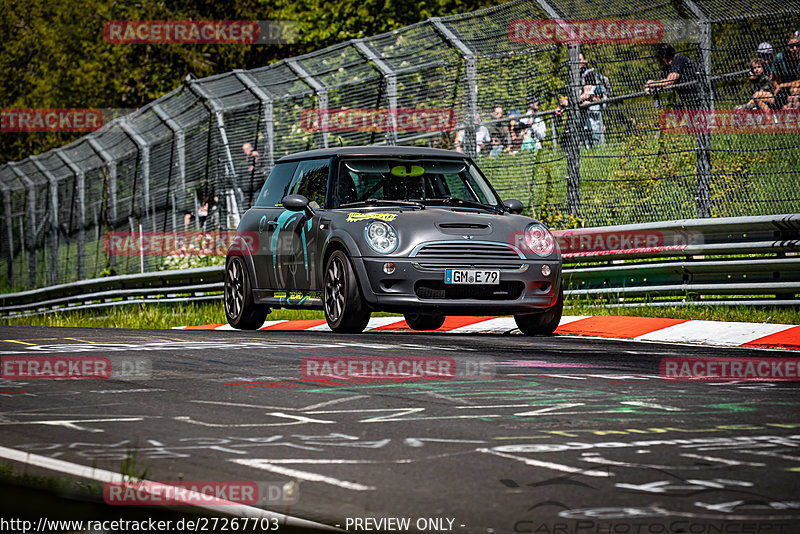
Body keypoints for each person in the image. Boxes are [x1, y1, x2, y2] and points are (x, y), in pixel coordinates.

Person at [645, 44, 701, 109]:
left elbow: (670, 81)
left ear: (664, 56)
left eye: (659, 57)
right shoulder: (667, 67)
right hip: (689, 100)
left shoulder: (678, 59)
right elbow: (661, 81)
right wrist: (650, 86)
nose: (658, 60)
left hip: (699, 95)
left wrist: (653, 83)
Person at [772, 32, 800, 109]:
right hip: (785, 90)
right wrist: (777, 88)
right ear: (786, 47)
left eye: (797, 45)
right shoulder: (779, 58)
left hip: (794, 89)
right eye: (791, 46)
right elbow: (774, 79)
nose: (795, 49)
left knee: (794, 91)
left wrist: (782, 85)